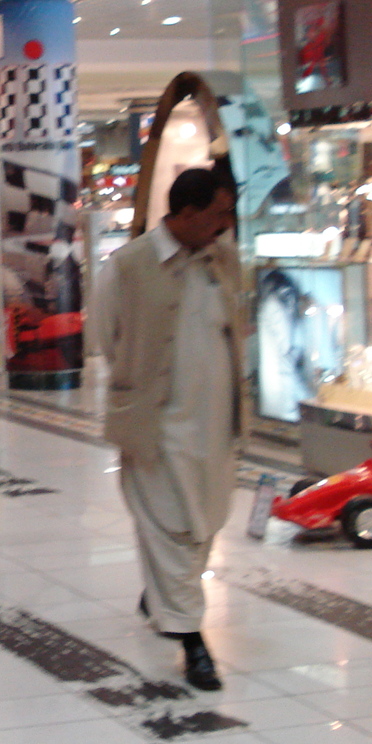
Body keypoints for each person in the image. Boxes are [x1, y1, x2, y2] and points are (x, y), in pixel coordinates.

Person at [92, 167, 242, 692]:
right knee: (171, 527)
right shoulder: (128, 267)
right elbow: (107, 336)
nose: (226, 224)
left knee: (206, 523)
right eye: (218, 213)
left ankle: (163, 598)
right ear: (184, 213)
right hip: (157, 429)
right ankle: (191, 641)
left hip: (216, 427)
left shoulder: (225, 261)